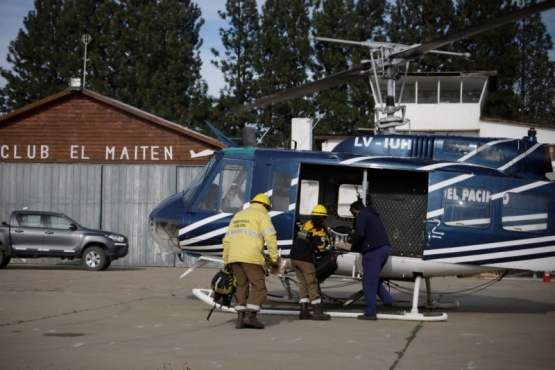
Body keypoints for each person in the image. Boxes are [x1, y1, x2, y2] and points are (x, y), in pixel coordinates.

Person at [222, 193, 279, 329]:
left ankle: (240, 319)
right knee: (259, 287)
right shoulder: (262, 215)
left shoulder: (238, 215)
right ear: (265, 205)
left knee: (241, 286)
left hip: (234, 257)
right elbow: (270, 236)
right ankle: (251, 317)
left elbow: (227, 240)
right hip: (252, 257)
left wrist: (226, 259)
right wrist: (274, 258)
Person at [349, 198, 395, 321]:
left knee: (368, 282)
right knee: (373, 278)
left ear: (355, 210)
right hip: (384, 248)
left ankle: (370, 313)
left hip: (373, 251)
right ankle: (388, 300)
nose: (354, 217)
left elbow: (360, 234)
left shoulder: (362, 215)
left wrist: (353, 245)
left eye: (354, 214)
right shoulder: (372, 214)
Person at [289, 204, 331, 320]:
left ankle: (303, 311)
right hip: (305, 258)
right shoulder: (319, 228)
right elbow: (319, 246)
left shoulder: (306, 224)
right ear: (322, 217)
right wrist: (327, 241)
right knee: (311, 283)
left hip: (294, 257)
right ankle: (317, 311)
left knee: (303, 283)